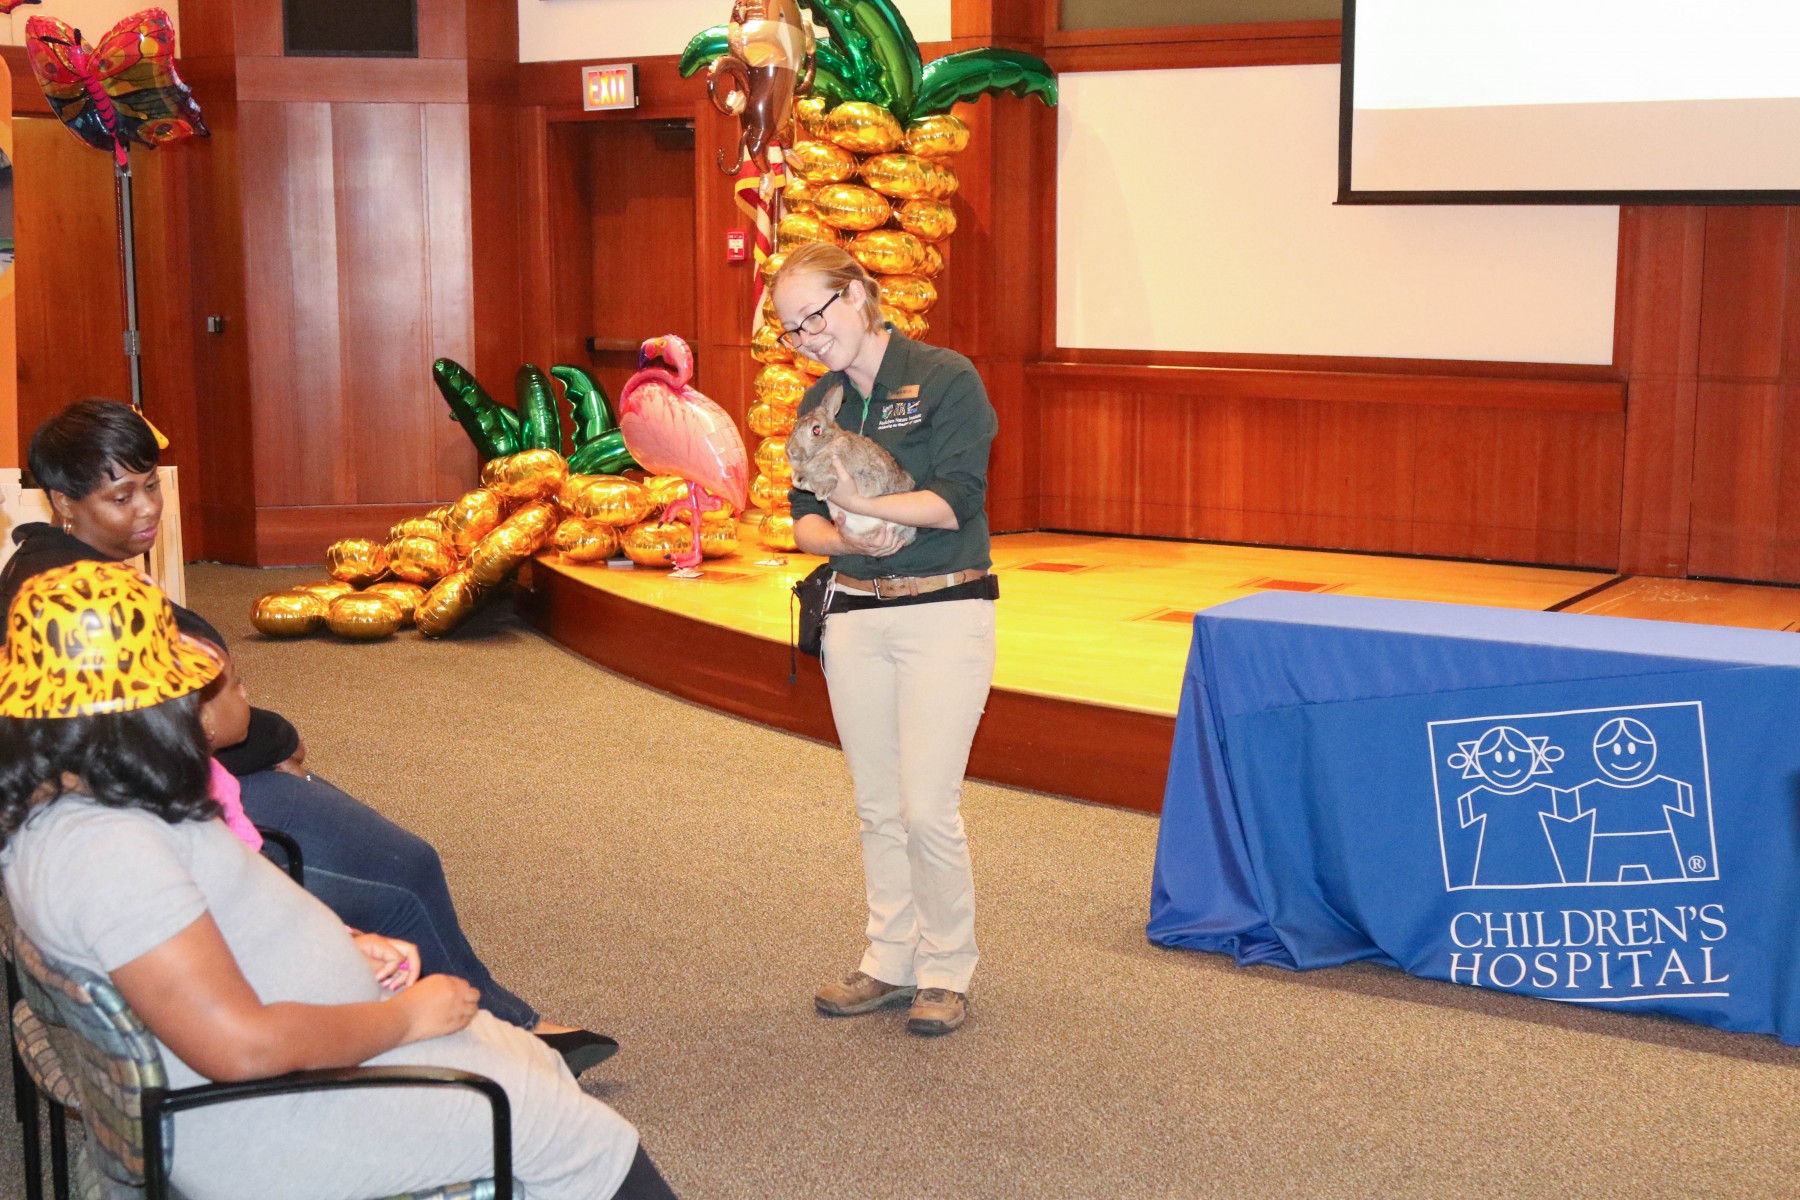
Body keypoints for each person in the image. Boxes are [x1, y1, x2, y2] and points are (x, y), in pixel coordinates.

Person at [0, 561, 681, 1200]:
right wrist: (406, 1017)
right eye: (177, 688)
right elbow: (242, 1048)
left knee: (534, 1067)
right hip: (271, 1120)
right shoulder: (108, 855)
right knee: (568, 1133)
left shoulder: (86, 797)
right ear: (137, 709)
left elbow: (193, 937)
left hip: (292, 1073)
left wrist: (344, 942)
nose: (189, 703)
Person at [1, 398, 615, 1072]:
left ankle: (454, 1015)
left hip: (191, 774)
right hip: (179, 795)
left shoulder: (66, 568)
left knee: (392, 859)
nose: (147, 509)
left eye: (151, 486)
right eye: (122, 497)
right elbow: (206, 720)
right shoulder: (72, 594)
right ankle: (493, 1033)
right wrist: (276, 739)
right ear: (63, 501)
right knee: (406, 872)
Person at [770, 243, 1000, 1036]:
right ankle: (890, 956)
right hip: (854, 615)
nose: (806, 339)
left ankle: (946, 967)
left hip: (944, 608)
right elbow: (803, 518)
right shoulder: (819, 403)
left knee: (925, 807)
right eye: (792, 330)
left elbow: (955, 501)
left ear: (857, 295)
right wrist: (842, 539)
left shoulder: (944, 377)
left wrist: (869, 512)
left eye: (814, 317)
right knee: (876, 805)